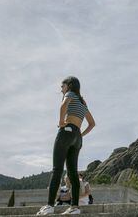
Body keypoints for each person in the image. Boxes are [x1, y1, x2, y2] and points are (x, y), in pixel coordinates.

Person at [37, 76, 96, 215]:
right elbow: (92, 123)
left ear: (69, 85)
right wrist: (80, 135)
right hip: (77, 137)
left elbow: (63, 105)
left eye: (62, 86)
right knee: (73, 174)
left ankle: (50, 206)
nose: (61, 89)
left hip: (66, 132)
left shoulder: (70, 94)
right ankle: (74, 208)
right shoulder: (83, 102)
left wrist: (61, 122)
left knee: (57, 169)